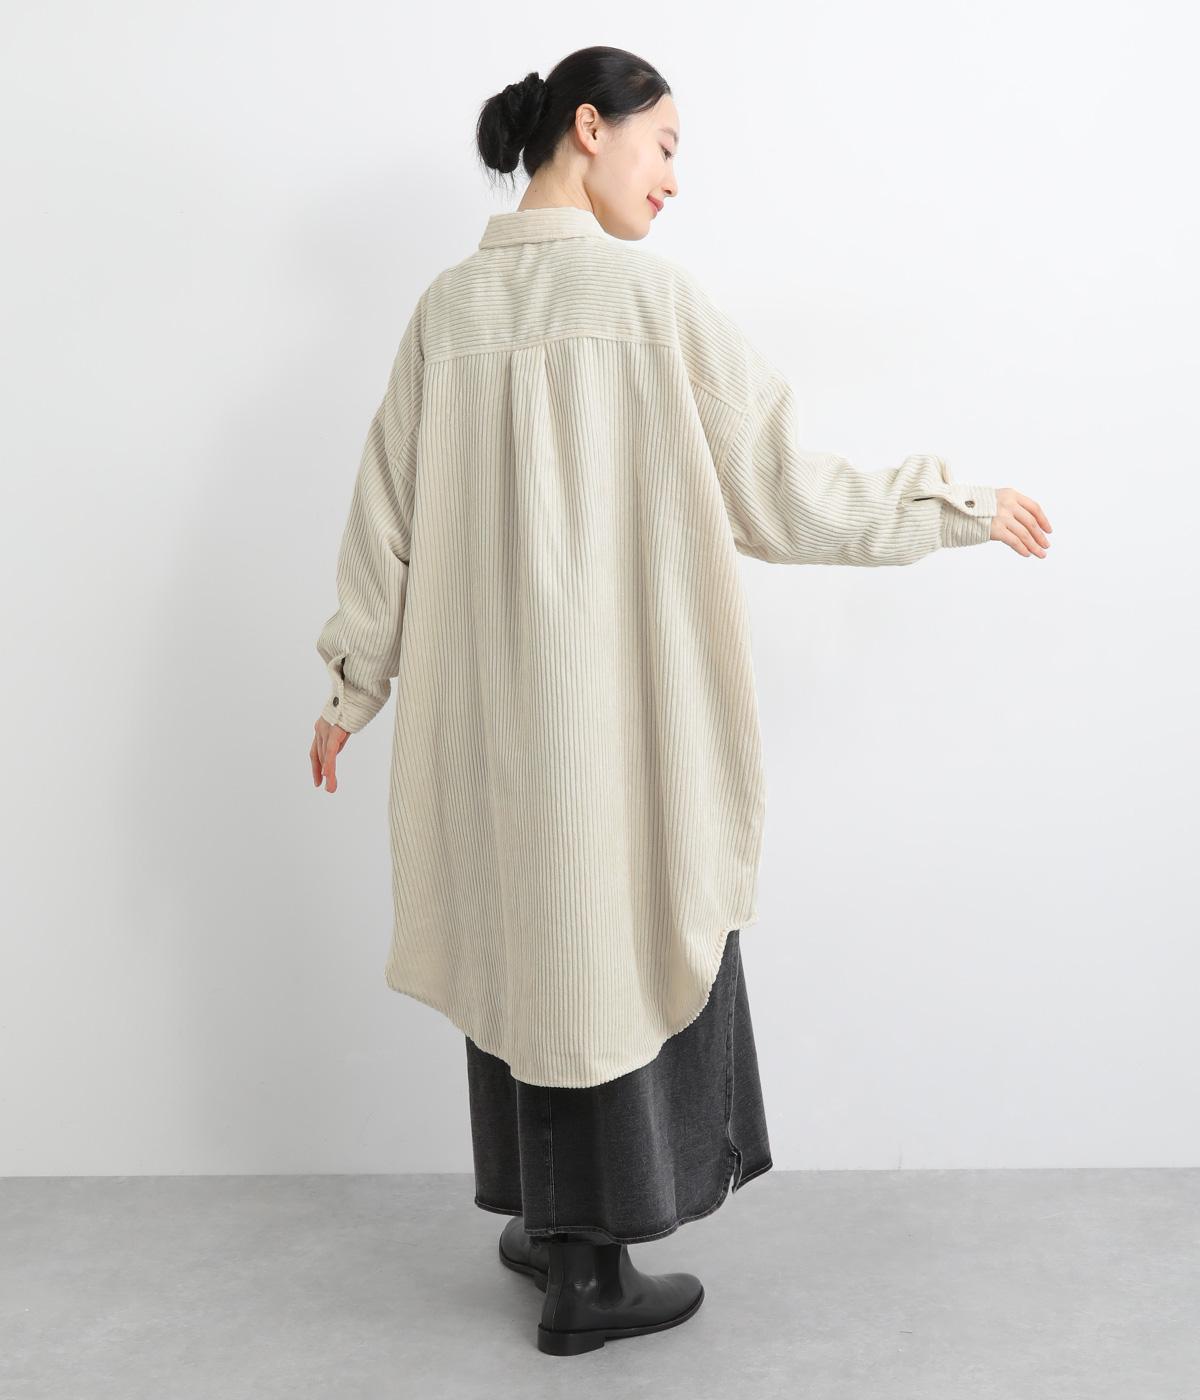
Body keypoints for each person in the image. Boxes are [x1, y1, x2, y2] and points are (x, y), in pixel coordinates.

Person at [308, 45, 1052, 1356]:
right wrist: (956, 507)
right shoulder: (649, 304)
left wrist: (351, 683)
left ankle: (548, 1223)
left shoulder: (446, 311)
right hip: (616, 728)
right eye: (663, 147)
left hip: (486, 735)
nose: (672, 181)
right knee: (622, 954)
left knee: (526, 954)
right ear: (588, 130)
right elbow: (784, 489)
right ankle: (591, 1282)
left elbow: (387, 515)